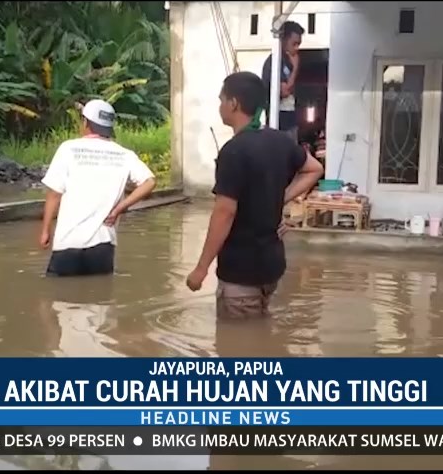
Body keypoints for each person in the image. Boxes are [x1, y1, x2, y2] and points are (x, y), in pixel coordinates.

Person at [185, 71, 324, 319]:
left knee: (237, 341)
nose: (220, 106)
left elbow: (224, 213)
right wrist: (280, 197)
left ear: (233, 103)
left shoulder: (233, 151)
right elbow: (315, 169)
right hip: (271, 268)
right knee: (259, 331)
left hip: (241, 272)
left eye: (221, 100)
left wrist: (201, 269)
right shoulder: (280, 141)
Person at [39, 99, 156, 276]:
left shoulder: (68, 149)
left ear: (86, 122)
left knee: (59, 291)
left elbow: (54, 194)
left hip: (68, 242)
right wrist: (119, 209)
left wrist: (45, 231)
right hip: (103, 245)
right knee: (101, 292)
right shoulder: (124, 154)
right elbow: (150, 182)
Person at [261, 20, 304, 143]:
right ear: (284, 40)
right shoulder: (274, 62)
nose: (296, 48)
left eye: (299, 44)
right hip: (279, 121)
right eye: (294, 44)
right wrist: (295, 68)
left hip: (290, 120)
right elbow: (284, 91)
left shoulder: (288, 61)